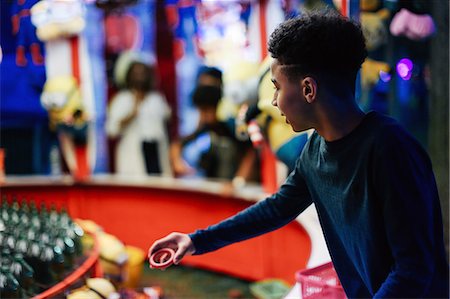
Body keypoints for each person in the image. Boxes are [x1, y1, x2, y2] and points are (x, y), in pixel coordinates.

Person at [149, 10, 449, 298]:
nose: (276, 102)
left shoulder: (390, 150)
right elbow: (277, 208)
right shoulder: (316, 149)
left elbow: (413, 270)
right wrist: (195, 240)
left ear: (308, 89)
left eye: (277, 88)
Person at [106, 52, 172, 176]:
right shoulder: (122, 99)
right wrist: (132, 113)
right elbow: (112, 130)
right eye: (136, 72)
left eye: (143, 72)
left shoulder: (156, 99)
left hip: (156, 155)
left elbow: (165, 122)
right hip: (133, 156)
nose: (140, 76)